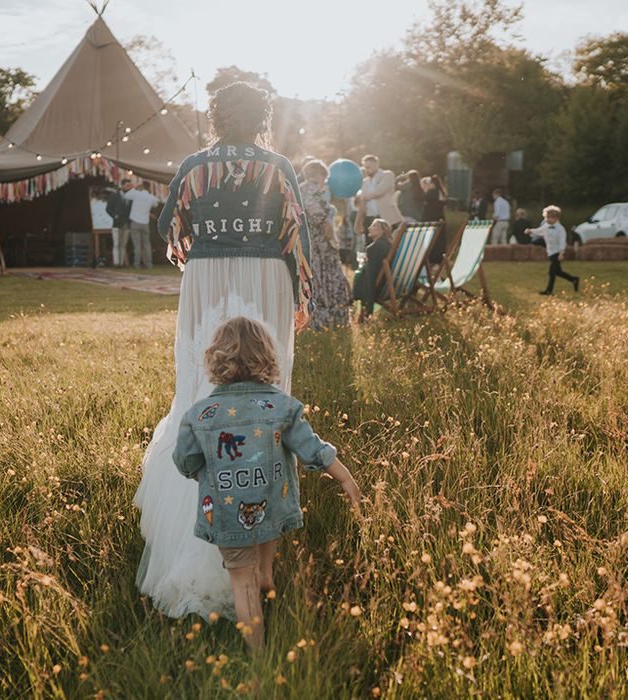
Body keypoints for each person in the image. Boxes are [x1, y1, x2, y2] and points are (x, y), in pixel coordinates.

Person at [134, 82, 312, 619]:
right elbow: (295, 234)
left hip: (207, 273)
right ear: (262, 117)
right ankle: (261, 533)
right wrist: (301, 293)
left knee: (201, 386)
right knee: (266, 388)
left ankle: (204, 519)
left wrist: (208, 247)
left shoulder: (193, 167)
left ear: (215, 119)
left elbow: (171, 228)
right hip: (265, 273)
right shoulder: (277, 165)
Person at [174, 317, 361, 650]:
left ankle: (258, 656)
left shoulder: (200, 414)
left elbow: (184, 460)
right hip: (271, 504)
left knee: (240, 581)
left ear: (217, 358)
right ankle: (267, 575)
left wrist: (203, 472)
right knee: (266, 520)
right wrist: (345, 477)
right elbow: (312, 450)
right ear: (266, 358)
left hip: (225, 512)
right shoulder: (281, 407)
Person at [299, 160, 350, 329]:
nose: (324, 182)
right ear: (319, 175)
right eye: (324, 178)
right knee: (323, 278)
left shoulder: (306, 190)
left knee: (323, 277)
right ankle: (324, 318)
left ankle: (328, 317)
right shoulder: (309, 189)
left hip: (317, 244)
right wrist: (331, 237)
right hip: (319, 245)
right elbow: (318, 216)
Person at [525, 205, 579, 296]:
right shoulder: (546, 226)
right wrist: (530, 231)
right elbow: (538, 231)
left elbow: (562, 242)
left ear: (556, 218)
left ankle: (549, 290)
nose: (547, 220)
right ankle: (573, 279)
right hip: (550, 252)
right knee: (558, 272)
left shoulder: (560, 229)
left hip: (557, 252)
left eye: (549, 218)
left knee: (552, 272)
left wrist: (561, 253)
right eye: (546, 218)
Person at [352, 218, 393, 321]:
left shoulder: (373, 248)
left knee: (360, 276)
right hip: (391, 285)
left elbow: (371, 277)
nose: (369, 228)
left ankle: (363, 314)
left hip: (379, 289)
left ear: (382, 231)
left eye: (374, 226)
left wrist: (369, 307)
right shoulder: (390, 245)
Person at [359, 155, 402, 232]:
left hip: (386, 216)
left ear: (376, 165)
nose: (366, 170)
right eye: (365, 167)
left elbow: (380, 191)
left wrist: (365, 197)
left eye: (368, 167)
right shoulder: (364, 182)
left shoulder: (387, 174)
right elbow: (361, 200)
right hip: (369, 218)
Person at [124, 181, 159, 269]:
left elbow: (126, 195)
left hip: (135, 222)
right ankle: (149, 264)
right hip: (145, 222)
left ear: (142, 186)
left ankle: (137, 264)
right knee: (147, 244)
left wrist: (135, 188)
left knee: (137, 245)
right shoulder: (151, 197)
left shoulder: (136, 194)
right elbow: (156, 203)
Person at [106, 178, 133, 266]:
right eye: (127, 186)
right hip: (116, 223)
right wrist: (115, 216)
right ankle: (116, 263)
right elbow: (108, 208)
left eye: (129, 186)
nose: (128, 187)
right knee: (116, 243)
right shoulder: (114, 196)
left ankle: (121, 263)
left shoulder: (131, 197)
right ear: (122, 186)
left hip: (127, 224)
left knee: (123, 244)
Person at [422, 175, 447, 264]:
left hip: (431, 217)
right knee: (440, 240)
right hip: (440, 217)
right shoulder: (442, 192)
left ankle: (432, 258)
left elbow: (425, 201)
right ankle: (440, 258)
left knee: (432, 240)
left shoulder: (432, 192)